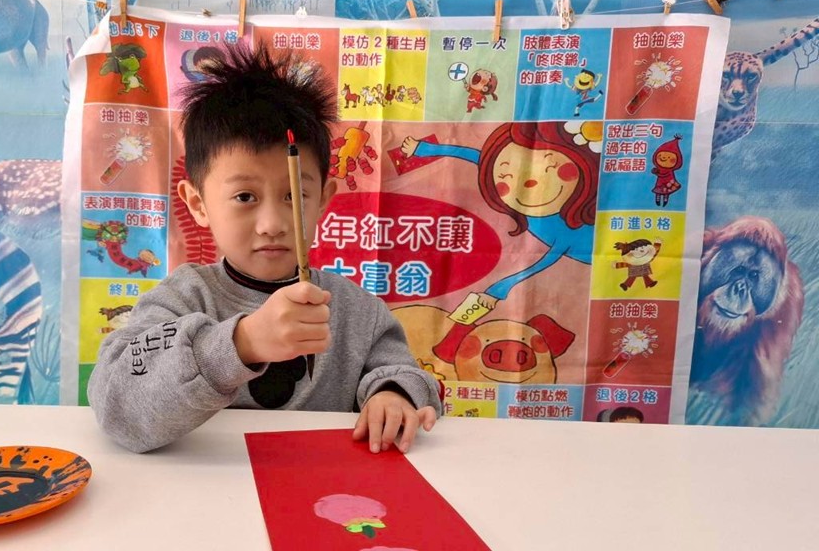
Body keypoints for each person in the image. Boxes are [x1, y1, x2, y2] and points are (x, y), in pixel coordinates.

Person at [88, 43, 443, 454]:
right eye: (244, 197)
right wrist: (241, 344)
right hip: (207, 484)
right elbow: (117, 410)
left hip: (322, 479)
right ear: (198, 204)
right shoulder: (181, 299)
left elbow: (403, 372)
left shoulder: (357, 310)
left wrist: (392, 395)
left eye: (294, 196)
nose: (273, 224)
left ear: (323, 199)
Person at [398, 122, 600, 362]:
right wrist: (423, 149)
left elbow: (542, 262)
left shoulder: (568, 230)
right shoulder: (506, 183)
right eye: (505, 178)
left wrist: (498, 289)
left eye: (550, 168)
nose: (529, 184)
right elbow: (476, 157)